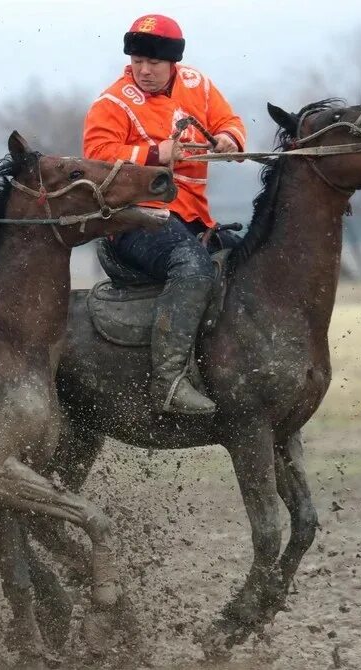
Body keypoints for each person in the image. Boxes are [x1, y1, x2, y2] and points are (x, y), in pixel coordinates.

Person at [82, 14, 247, 415]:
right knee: (192, 267)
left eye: (153, 63)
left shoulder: (198, 85)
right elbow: (96, 156)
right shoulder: (112, 103)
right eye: (137, 60)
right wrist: (156, 153)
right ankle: (169, 382)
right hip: (134, 221)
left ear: (173, 62)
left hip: (192, 218)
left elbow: (229, 121)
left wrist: (228, 138)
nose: (144, 70)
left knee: (250, 259)